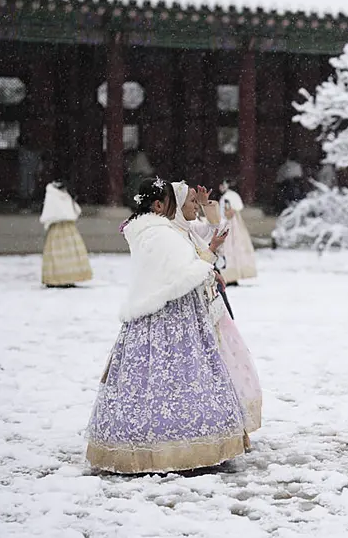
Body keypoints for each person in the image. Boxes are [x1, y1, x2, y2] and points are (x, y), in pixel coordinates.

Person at [85, 177, 246, 474]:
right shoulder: (158, 233)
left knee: (153, 379)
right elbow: (182, 273)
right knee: (177, 375)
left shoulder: (151, 229)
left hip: (154, 312)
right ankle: (176, 446)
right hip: (172, 314)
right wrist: (208, 260)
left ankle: (154, 443)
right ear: (159, 205)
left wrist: (207, 257)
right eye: (172, 201)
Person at [171, 181, 263, 436]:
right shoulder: (172, 232)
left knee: (223, 361)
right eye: (191, 202)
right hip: (191, 309)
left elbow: (216, 231)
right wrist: (210, 260)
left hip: (207, 302)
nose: (195, 206)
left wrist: (205, 206)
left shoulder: (187, 227)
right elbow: (198, 257)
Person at [39, 180, 93, 288]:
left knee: (60, 254)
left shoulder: (60, 194)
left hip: (62, 228)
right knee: (65, 253)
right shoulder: (53, 194)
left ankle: (65, 278)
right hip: (62, 227)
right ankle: (62, 278)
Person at [218, 180, 258, 285]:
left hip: (229, 226)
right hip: (233, 226)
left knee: (229, 249)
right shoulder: (231, 196)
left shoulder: (227, 197)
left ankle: (231, 276)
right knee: (234, 250)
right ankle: (233, 275)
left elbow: (228, 213)